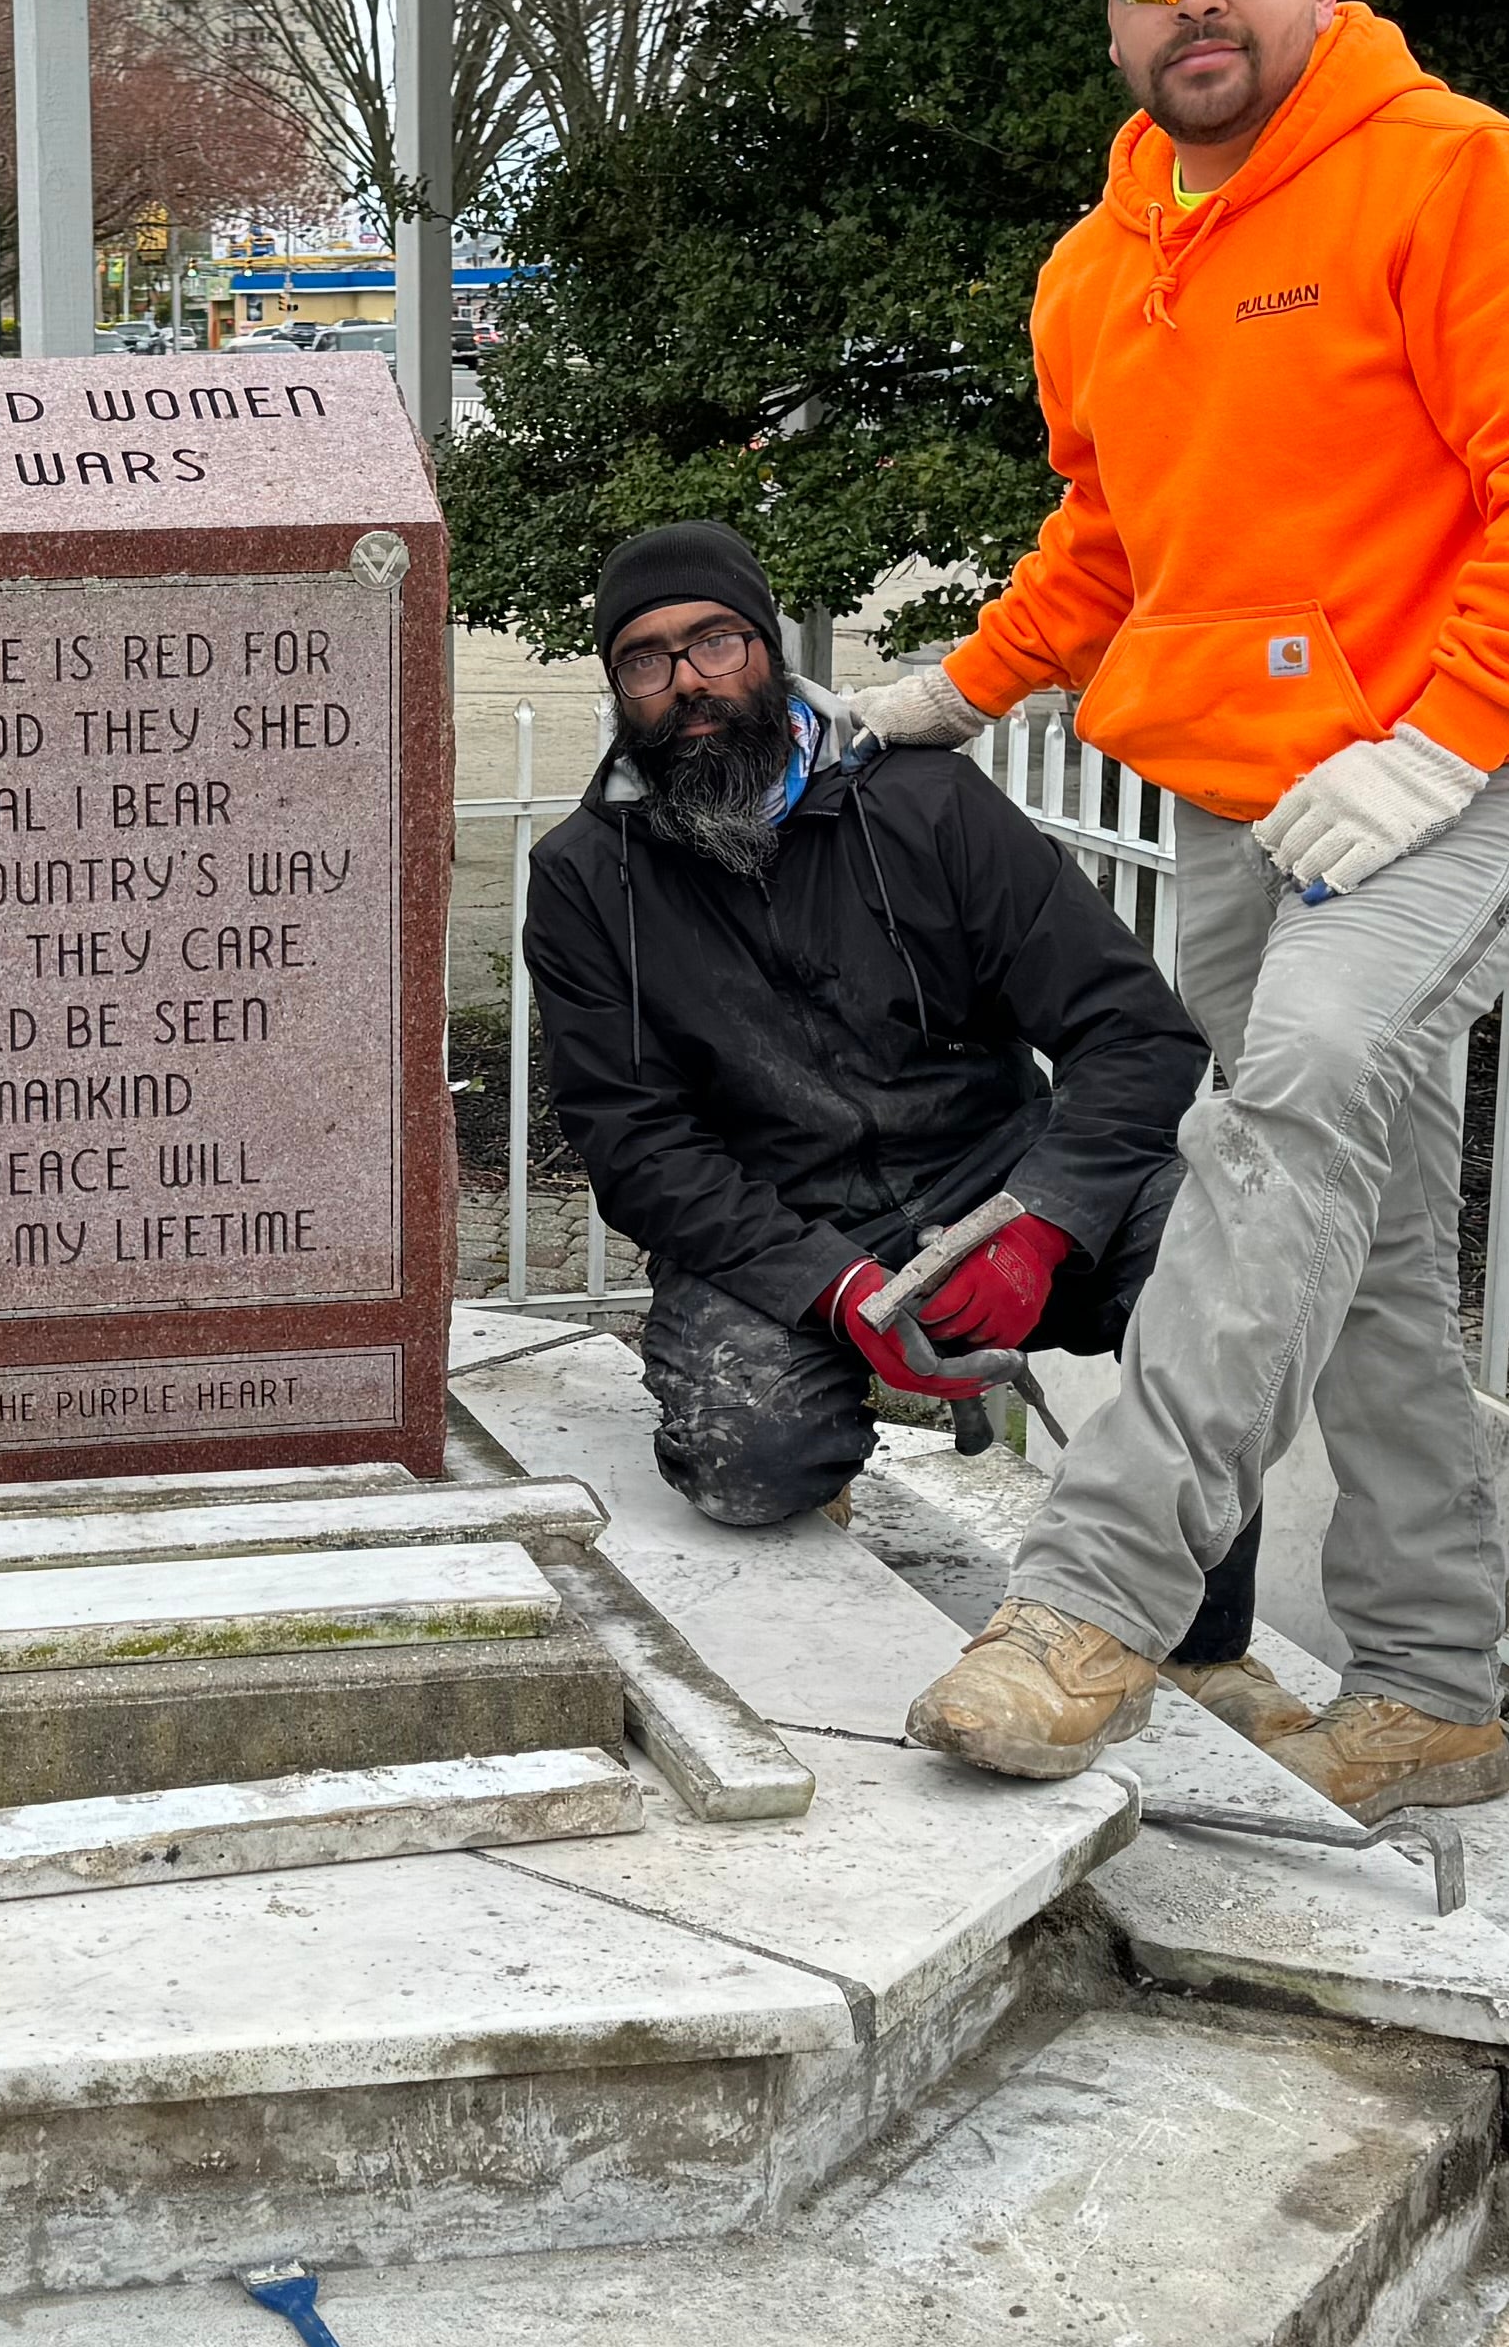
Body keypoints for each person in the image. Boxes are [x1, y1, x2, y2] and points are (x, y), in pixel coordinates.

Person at [853, 0, 1509, 1825]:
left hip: (1471, 781)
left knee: (1286, 1100)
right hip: (1250, 807)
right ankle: (1428, 1692)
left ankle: (1090, 1608)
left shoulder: (1470, 186)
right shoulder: (1098, 268)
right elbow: (1113, 545)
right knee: (1364, 1232)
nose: (1195, 1)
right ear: (1119, 12)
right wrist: (945, 694)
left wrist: (1449, 739)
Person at [519, 522, 1259, 1672]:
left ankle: (1197, 1649)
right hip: (783, 1225)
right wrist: (833, 1286)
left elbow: (1135, 1032)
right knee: (748, 1457)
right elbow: (635, 1143)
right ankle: (828, 1479)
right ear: (620, 689)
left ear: (765, 645)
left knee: (1213, 1268)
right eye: (646, 660)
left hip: (1002, 1185)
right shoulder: (585, 876)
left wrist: (1046, 1220)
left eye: (714, 641)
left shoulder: (925, 806)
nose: (688, 683)